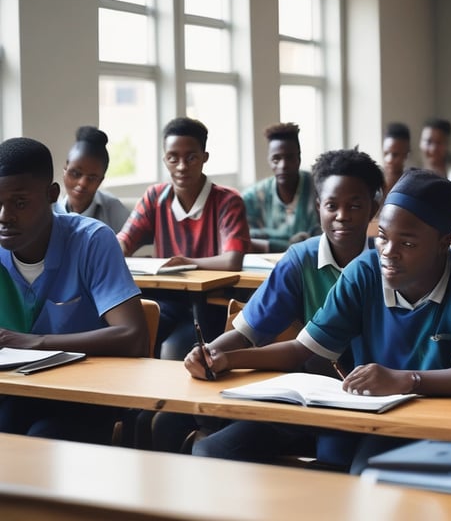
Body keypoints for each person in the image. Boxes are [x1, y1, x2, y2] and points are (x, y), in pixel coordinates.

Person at [185, 169, 451, 472]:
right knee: (213, 452)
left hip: (431, 420)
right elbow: (302, 350)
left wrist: (406, 380)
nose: (388, 252)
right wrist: (225, 358)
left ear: (443, 242)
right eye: (382, 236)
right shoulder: (366, 270)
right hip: (362, 411)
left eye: (407, 243)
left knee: (363, 472)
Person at [152, 147, 384, 453]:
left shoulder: (387, 264)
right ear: (318, 206)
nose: (342, 216)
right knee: (167, 421)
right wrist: (208, 353)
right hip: (304, 393)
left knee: (219, 448)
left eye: (355, 205)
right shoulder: (302, 260)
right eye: (332, 205)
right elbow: (248, 333)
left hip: (366, 396)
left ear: (374, 206)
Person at [0, 137, 147, 442]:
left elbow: (133, 337)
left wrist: (34, 342)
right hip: (15, 390)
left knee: (40, 441)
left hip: (85, 397)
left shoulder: (92, 241)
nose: (4, 216)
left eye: (20, 202)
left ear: (52, 194)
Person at [118, 117, 250, 359]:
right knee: (140, 330)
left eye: (191, 157)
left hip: (212, 302)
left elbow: (232, 261)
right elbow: (123, 242)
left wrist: (186, 261)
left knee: (200, 350)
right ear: (164, 159)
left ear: (205, 157)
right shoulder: (154, 197)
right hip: (165, 296)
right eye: (173, 158)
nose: (181, 166)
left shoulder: (227, 200)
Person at [242, 122, 320, 253]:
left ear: (299, 158)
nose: (283, 165)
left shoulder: (319, 188)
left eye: (289, 158)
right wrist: (289, 245)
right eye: (276, 159)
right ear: (269, 161)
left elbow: (325, 239)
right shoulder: (252, 196)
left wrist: (267, 244)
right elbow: (241, 239)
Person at [53, 126, 130, 233]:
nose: (83, 183)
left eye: (92, 178)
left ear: (100, 180)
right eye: (76, 173)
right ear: (65, 169)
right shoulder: (52, 209)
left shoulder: (113, 210)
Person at [381, 122, 411, 200]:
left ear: (406, 154)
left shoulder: (411, 187)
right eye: (386, 153)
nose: (389, 160)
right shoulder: (374, 186)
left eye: (395, 154)